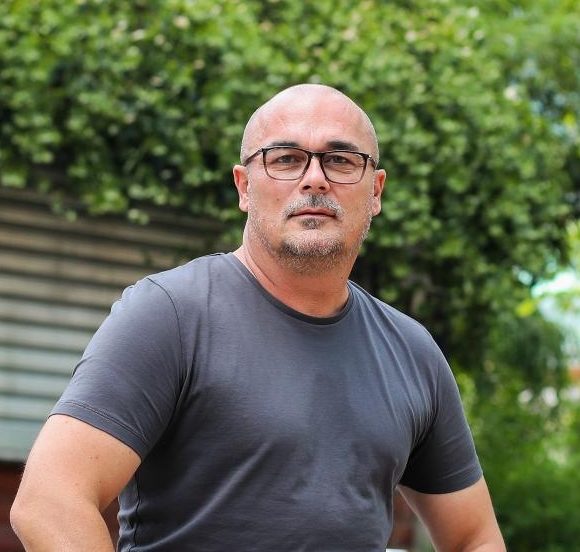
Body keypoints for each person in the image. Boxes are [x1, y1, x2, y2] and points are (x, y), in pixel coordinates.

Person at [11, 84, 505, 551]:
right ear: (244, 186)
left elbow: (474, 537)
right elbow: (50, 502)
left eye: (340, 160)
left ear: (375, 191)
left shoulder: (413, 353)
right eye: (286, 159)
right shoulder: (171, 315)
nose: (315, 178)